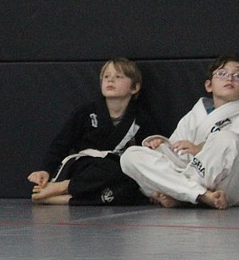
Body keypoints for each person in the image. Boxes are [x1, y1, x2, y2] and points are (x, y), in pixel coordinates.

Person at [27, 57, 159, 205]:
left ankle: (66, 198)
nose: (110, 80)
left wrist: (154, 143)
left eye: (118, 77)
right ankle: (63, 186)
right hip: (86, 167)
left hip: (117, 170)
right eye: (106, 77)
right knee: (115, 167)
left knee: (132, 186)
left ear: (134, 87)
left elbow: (147, 153)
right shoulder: (86, 113)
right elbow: (60, 144)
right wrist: (45, 170)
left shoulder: (140, 119)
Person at [120, 55, 239, 209]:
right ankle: (200, 195)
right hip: (191, 175)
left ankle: (181, 193)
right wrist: (162, 145)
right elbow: (177, 151)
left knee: (227, 139)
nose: (229, 79)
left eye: (238, 76)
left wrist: (201, 149)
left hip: (228, 185)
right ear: (209, 85)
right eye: (222, 74)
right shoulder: (196, 113)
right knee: (130, 156)